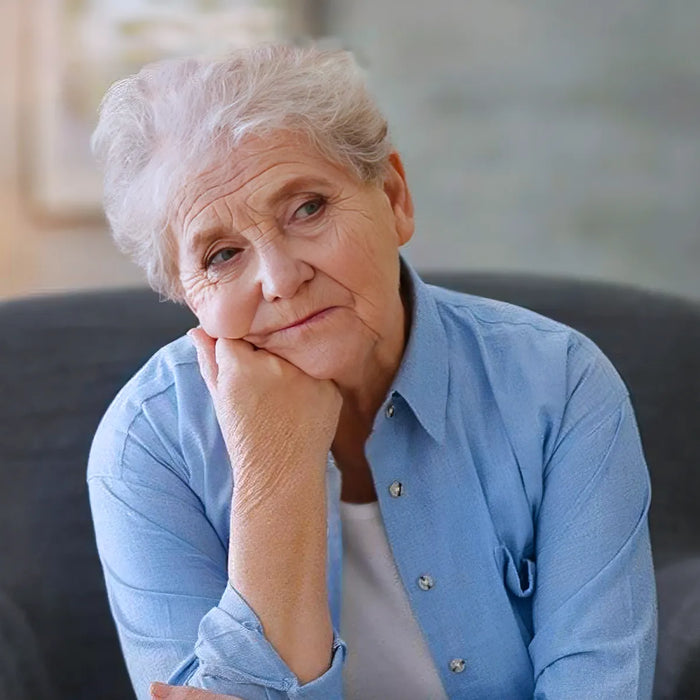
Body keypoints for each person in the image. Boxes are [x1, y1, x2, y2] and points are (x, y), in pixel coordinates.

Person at [87, 44, 657, 699]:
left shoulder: (560, 387)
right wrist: (275, 471)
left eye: (307, 208)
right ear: (190, 296)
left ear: (393, 197)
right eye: (221, 254)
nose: (279, 279)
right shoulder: (146, 450)